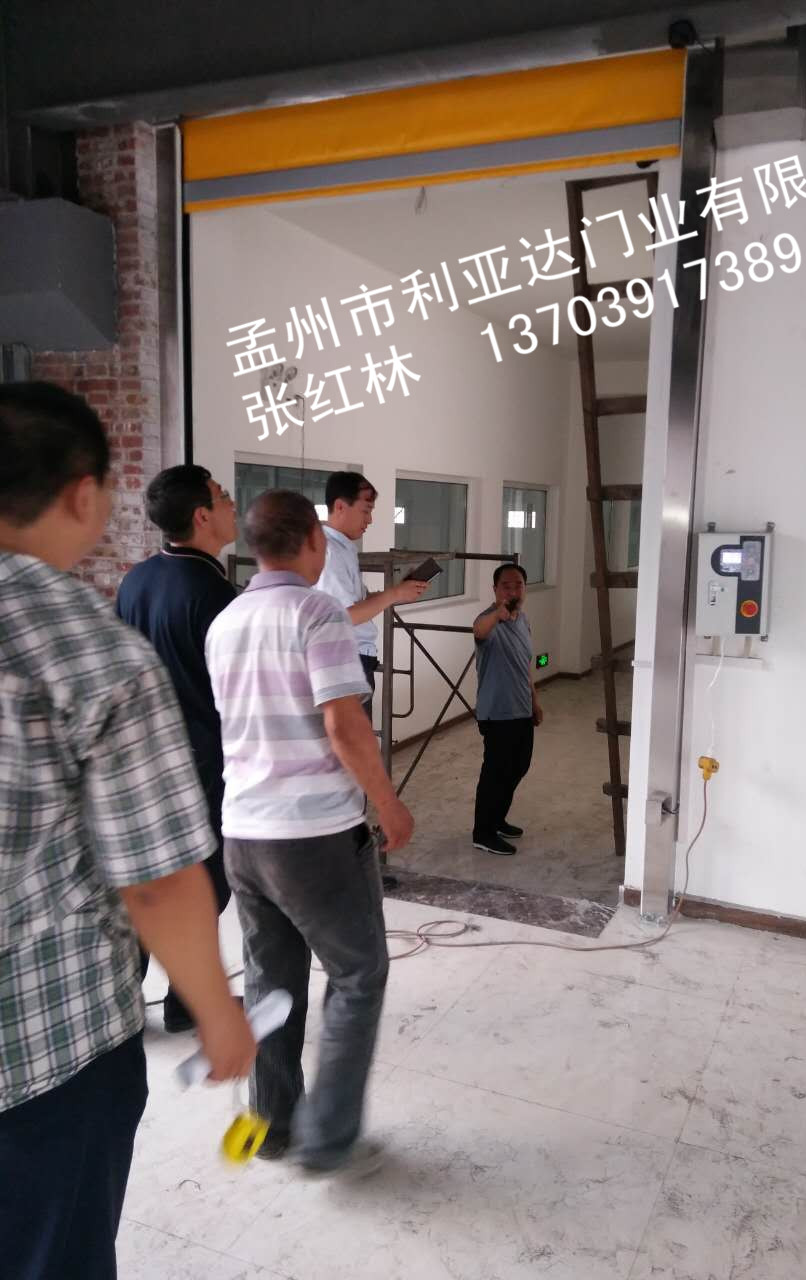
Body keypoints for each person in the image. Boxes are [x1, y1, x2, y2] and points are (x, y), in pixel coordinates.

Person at [0, 382, 255, 1280]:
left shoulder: (134, 586)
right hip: (44, 1051)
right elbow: (155, 879)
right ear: (82, 494)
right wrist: (217, 1012)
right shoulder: (83, 645)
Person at [206, 489, 414, 1176]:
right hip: (315, 835)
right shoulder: (317, 612)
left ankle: (272, 1125)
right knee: (358, 974)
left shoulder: (226, 621)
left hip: (244, 833)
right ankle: (326, 1137)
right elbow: (343, 725)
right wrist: (388, 803)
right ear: (314, 541)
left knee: (272, 983)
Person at [116, 465, 238, 1032]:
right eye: (223, 496)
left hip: (143, 761)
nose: (232, 503)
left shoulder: (136, 580)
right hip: (201, 764)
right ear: (202, 516)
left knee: (152, 881)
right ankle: (188, 1002)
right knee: (207, 883)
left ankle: (124, 1004)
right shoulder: (214, 594)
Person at [316, 471, 428, 708]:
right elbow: (347, 616)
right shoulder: (330, 551)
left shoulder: (343, 547)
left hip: (352, 659)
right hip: (344, 661)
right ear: (340, 506)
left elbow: (360, 601)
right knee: (353, 732)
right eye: (366, 511)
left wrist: (401, 591)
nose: (370, 520)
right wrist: (394, 594)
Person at [471, 562, 544, 856]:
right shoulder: (488, 621)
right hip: (497, 712)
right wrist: (496, 615)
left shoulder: (523, 620)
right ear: (495, 590)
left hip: (521, 708)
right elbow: (478, 630)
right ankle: (483, 832)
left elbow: (526, 664)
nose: (513, 591)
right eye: (506, 586)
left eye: (518, 585)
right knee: (495, 772)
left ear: (525, 589)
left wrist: (534, 700)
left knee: (519, 766)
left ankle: (497, 819)